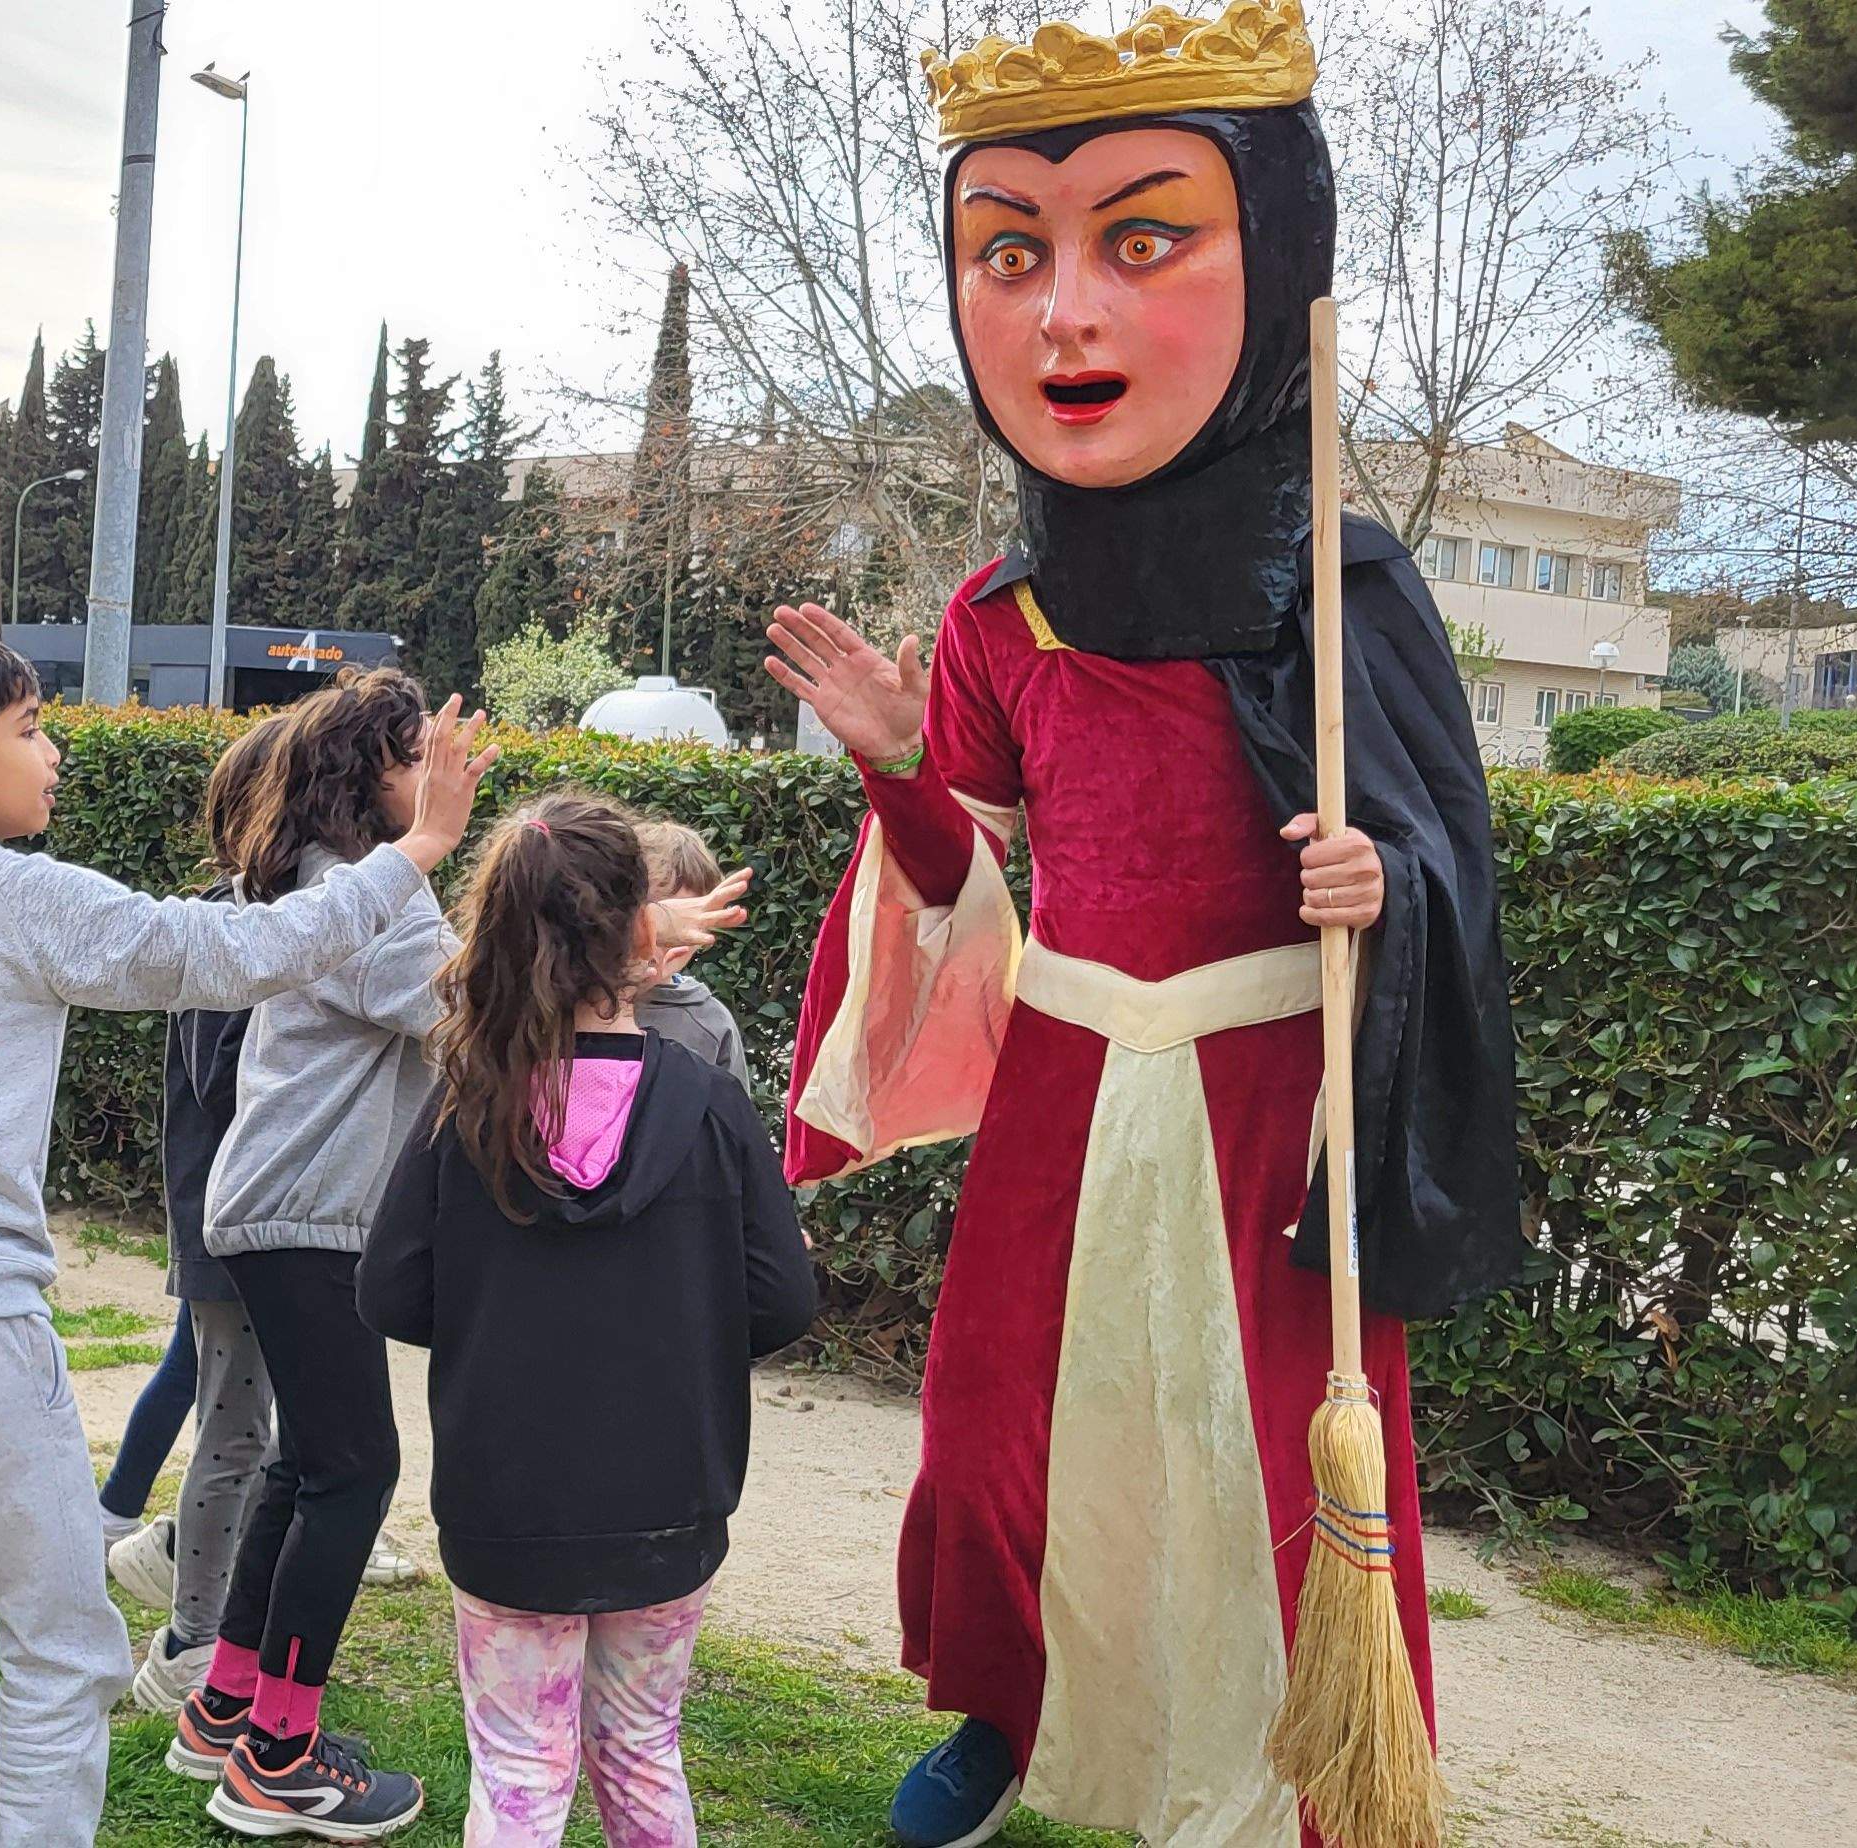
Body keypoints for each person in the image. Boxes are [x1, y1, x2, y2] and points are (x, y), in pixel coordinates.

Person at [771, 8, 1519, 1842]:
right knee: (1005, 1433)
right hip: (1071, 1069)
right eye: (1010, 253)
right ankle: (1008, 1713)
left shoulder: (1339, 592)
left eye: (1145, 238)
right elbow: (966, 887)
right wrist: (888, 766)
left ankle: (1333, 1757)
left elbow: (1444, 863)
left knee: (1272, 1445)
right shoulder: (998, 621)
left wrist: (1381, 883)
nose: (1065, 314)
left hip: (1274, 1079)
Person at [0, 620, 496, 1846]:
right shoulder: (13, 891)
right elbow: (234, 951)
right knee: (63, 1646)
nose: (53, 757)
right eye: (30, 732)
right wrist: (414, 851)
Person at [360, 791, 821, 1848]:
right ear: (641, 932)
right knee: (643, 1741)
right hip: (669, 1495)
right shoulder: (708, 1103)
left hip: (505, 1501)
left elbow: (389, 1291)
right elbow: (783, 1297)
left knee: (521, 1762)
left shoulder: (466, 1106)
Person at [171, 667, 460, 1839]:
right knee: (356, 1473)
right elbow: (466, 1010)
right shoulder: (361, 894)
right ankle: (280, 1755)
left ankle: (226, 1709)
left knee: (307, 1463)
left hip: (284, 1211)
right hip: (305, 1216)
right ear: (365, 775)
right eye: (412, 759)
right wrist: (622, 954)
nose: (430, 779)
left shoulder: (332, 883)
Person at [108, 711, 301, 1716]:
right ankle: (186, 1642)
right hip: (235, 1230)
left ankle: (175, 1560)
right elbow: (222, 1082)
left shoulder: (258, 919)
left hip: (255, 1225)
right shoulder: (230, 927)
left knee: (258, 1433)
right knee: (234, 1435)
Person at [630, 818, 751, 1079]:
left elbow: (733, 1114)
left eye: (689, 920)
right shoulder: (582, 1002)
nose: (672, 938)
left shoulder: (711, 1021)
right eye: (664, 919)